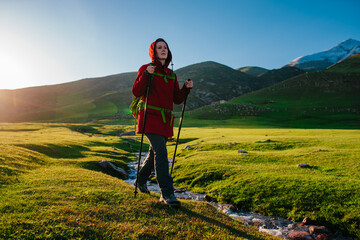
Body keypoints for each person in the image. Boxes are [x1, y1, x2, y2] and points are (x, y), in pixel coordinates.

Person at [132, 38, 193, 207]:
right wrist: (146, 75)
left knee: (154, 154)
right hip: (150, 118)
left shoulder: (171, 75)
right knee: (161, 152)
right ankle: (167, 194)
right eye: (159, 47)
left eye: (165, 47)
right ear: (154, 51)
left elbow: (177, 100)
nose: (163, 50)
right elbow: (136, 91)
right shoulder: (146, 69)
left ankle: (140, 181)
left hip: (165, 122)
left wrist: (185, 89)